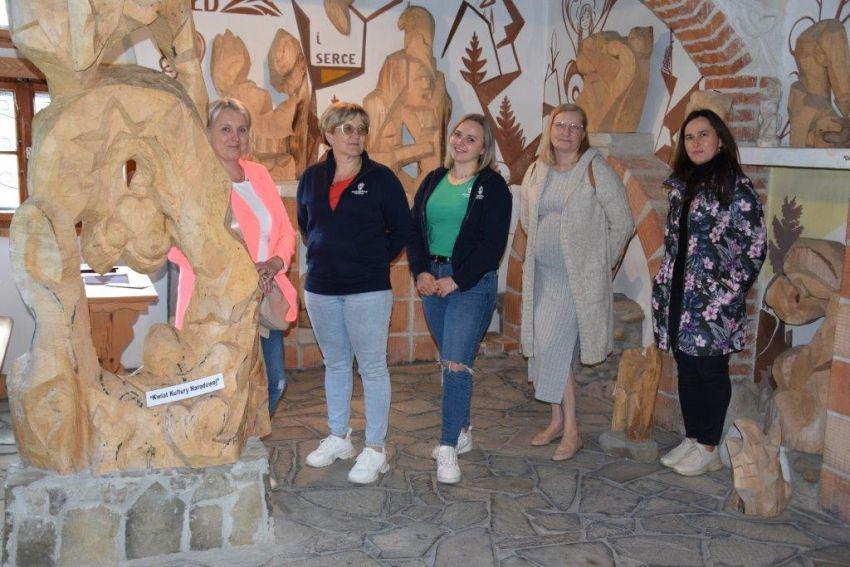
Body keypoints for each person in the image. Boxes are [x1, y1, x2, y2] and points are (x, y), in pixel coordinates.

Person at [297, 102, 410, 484]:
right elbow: (306, 224)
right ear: (329, 134)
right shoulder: (312, 178)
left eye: (361, 129)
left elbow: (401, 228)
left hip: (367, 289)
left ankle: (375, 448)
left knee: (372, 367)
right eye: (347, 128)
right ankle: (339, 437)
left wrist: (372, 259)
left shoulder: (381, 179)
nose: (356, 136)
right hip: (321, 288)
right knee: (336, 363)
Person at [652, 108, 766, 476]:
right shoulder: (682, 185)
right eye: (689, 137)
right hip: (679, 294)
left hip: (713, 300)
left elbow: (755, 244)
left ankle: (708, 446)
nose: (696, 142)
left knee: (710, 370)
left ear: (720, 141)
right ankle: (693, 437)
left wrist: (729, 291)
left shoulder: (735, 185)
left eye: (704, 135)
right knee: (686, 368)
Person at [168, 98, 298, 418]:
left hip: (263, 297)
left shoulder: (258, 174)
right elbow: (174, 244)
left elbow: (285, 232)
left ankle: (246, 437)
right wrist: (233, 270)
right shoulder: (193, 180)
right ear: (207, 132)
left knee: (274, 382)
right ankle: (226, 443)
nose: (234, 137)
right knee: (217, 385)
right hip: (216, 302)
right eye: (225, 129)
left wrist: (274, 263)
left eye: (241, 130)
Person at [519, 103, 634, 461]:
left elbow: (624, 222)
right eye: (560, 125)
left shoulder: (596, 170)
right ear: (550, 129)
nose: (566, 132)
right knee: (546, 348)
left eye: (574, 127)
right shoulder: (537, 169)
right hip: (542, 277)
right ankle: (556, 421)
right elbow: (527, 219)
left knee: (552, 346)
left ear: (583, 134)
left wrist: (600, 263)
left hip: (574, 281)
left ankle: (573, 431)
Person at [408, 113, 512, 484]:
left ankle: (448, 446)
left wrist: (457, 279)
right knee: (454, 359)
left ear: (483, 148)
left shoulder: (493, 186)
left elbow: (492, 245)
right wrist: (421, 272)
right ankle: (463, 430)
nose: (461, 142)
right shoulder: (433, 179)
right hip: (433, 281)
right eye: (458, 134)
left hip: (471, 284)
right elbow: (414, 230)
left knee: (454, 364)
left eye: (471, 138)